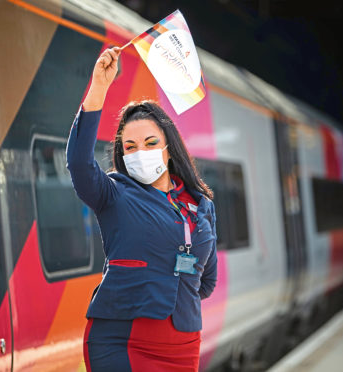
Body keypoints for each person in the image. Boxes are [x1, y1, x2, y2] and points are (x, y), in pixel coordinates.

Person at [66, 46, 217, 372]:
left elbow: (207, 281)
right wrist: (99, 88)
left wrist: (173, 284)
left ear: (169, 149)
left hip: (183, 346)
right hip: (121, 341)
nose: (140, 153)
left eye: (150, 143)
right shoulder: (115, 193)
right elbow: (78, 163)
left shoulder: (201, 204)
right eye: (129, 147)